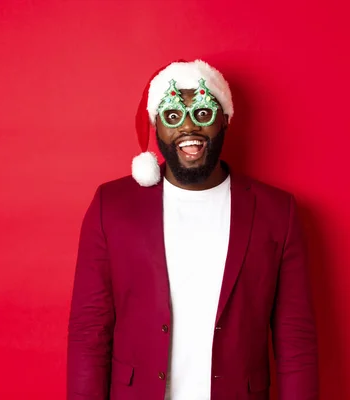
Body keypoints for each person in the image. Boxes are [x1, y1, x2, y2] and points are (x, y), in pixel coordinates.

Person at [67, 59, 318, 400]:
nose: (188, 127)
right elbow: (89, 331)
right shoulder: (111, 206)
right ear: (157, 125)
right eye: (173, 116)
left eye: (202, 113)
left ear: (225, 120)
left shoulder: (277, 212)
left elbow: (295, 339)